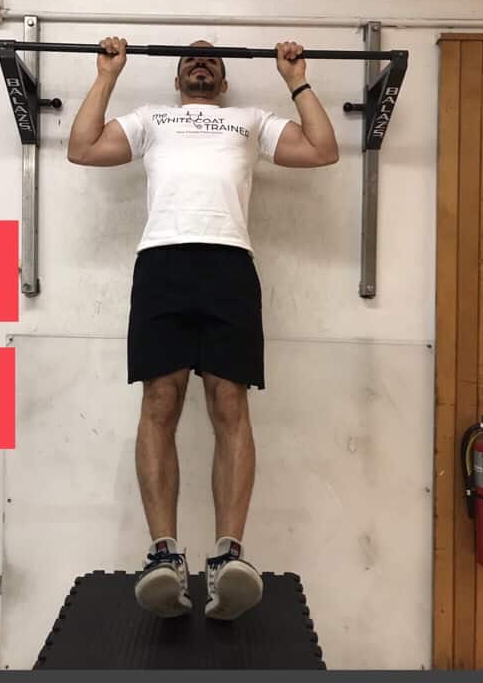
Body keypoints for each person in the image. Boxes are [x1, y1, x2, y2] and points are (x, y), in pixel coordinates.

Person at [67, 37, 339, 620]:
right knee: (160, 400)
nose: (201, 60)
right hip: (162, 263)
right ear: (175, 77)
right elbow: (83, 148)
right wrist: (107, 74)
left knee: (229, 403)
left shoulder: (248, 120)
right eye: (190, 56)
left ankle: (228, 557)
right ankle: (164, 556)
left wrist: (296, 78)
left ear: (222, 78)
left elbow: (322, 149)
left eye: (212, 57)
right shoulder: (151, 119)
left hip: (228, 264)